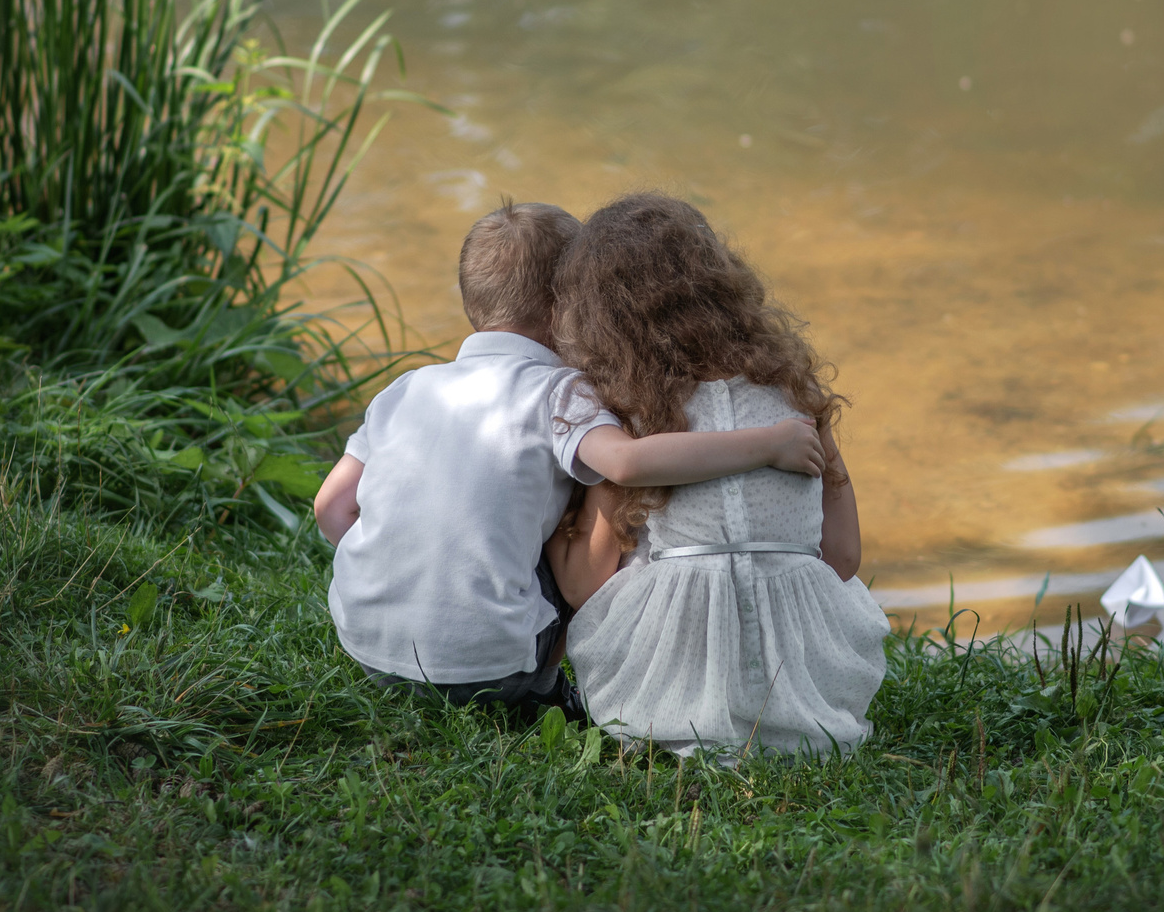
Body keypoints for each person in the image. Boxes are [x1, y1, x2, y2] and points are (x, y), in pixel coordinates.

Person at [311, 201, 823, 722]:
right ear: (569, 307)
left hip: (367, 650)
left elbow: (331, 508)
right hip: (490, 673)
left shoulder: (406, 388)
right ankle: (546, 691)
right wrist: (768, 444)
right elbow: (625, 464)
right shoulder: (559, 391)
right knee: (567, 508)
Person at [547, 192, 888, 757]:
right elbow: (844, 557)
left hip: (666, 701)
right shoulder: (795, 394)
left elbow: (587, 584)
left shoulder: (631, 415)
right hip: (814, 697)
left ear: (598, 316)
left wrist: (555, 534)